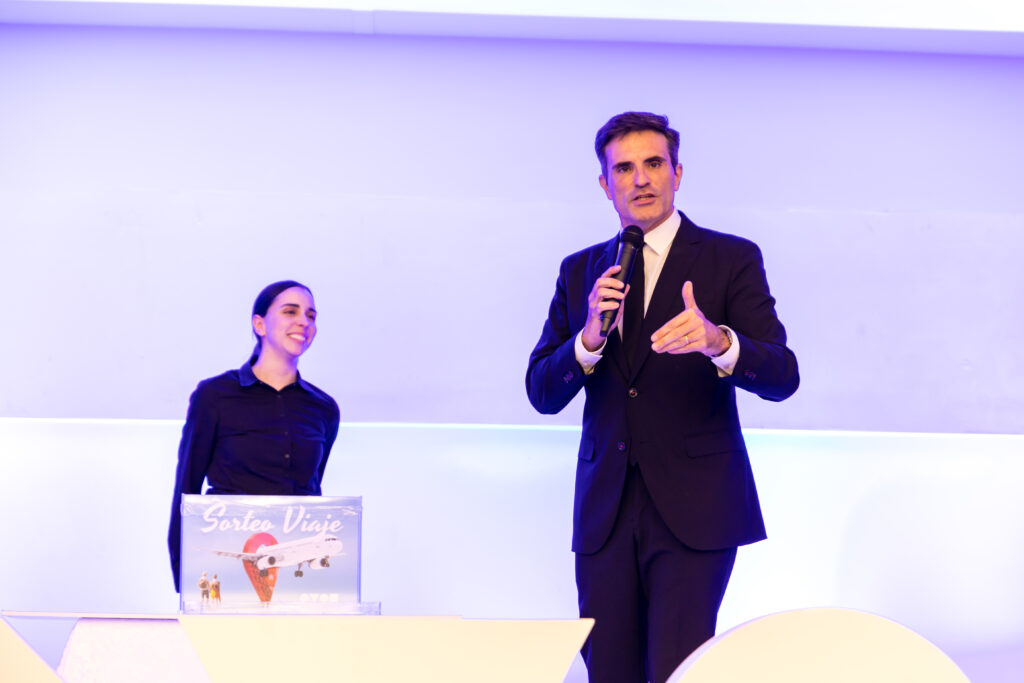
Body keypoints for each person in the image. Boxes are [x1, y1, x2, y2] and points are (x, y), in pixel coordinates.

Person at [526, 112, 799, 683]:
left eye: (654, 164)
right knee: (609, 671)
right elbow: (542, 392)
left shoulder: (730, 258)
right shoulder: (580, 272)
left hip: (695, 508)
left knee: (678, 670)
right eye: (623, 168)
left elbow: (782, 375)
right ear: (605, 185)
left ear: (677, 173)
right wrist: (587, 341)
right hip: (606, 511)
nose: (640, 179)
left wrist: (719, 342)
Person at [167, 280, 340, 593]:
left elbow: (312, 489)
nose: (304, 321)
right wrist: (186, 579)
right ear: (259, 324)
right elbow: (186, 489)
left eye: (311, 316)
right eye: (291, 311)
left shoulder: (324, 408)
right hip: (227, 566)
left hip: (293, 571)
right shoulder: (215, 396)